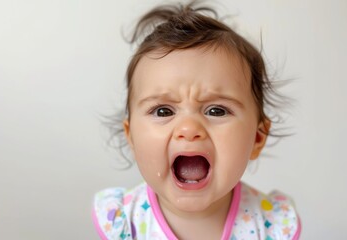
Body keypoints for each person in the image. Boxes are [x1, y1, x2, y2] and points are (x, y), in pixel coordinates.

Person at [92, 1, 301, 239]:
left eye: (216, 111)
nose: (189, 129)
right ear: (131, 136)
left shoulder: (270, 225)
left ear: (257, 137)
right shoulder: (124, 222)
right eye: (163, 111)